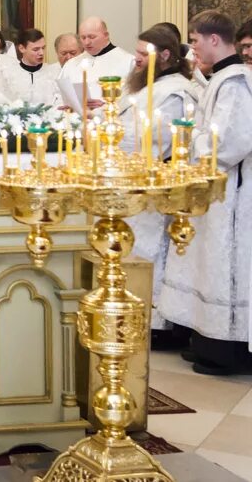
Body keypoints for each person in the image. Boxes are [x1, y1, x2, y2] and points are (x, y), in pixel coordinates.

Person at [159, 10, 252, 376]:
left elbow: (230, 142)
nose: (192, 49)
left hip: (231, 196)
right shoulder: (222, 78)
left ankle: (228, 350)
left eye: (195, 41)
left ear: (214, 40)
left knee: (224, 266)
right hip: (214, 189)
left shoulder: (237, 83)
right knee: (205, 263)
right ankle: (206, 340)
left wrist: (191, 139)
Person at [113, 27, 195, 346]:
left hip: (152, 179)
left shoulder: (174, 89)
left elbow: (159, 138)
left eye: (141, 54)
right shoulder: (144, 82)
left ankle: (157, 321)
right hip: (129, 174)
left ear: (163, 56)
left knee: (152, 251)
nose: (135, 59)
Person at [58, 17, 135, 110]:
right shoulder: (71, 64)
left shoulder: (127, 61)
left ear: (106, 35)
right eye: (83, 38)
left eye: (92, 37)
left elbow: (134, 98)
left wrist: (106, 105)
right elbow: (58, 96)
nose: (87, 42)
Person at [2, 29, 58, 106]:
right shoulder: (8, 74)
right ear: (22, 48)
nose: (41, 53)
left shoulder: (53, 73)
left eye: (43, 48)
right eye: (36, 49)